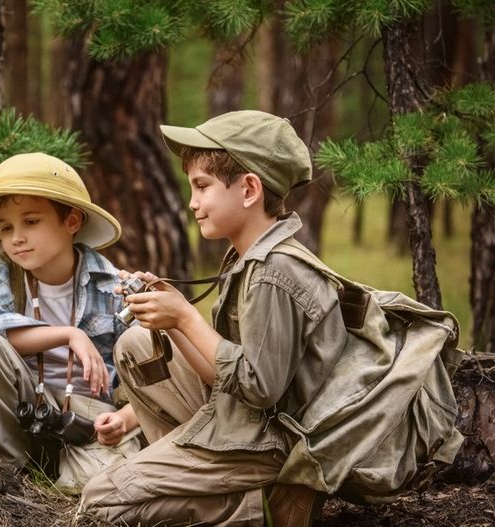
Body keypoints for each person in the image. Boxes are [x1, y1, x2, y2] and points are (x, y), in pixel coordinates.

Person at [80, 110, 345, 526]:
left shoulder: (276, 271)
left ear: (249, 190)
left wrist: (186, 317)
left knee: (102, 503)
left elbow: (260, 388)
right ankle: (199, 479)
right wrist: (170, 317)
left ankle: (262, 507)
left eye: (202, 187)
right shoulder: (250, 258)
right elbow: (221, 375)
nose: (192, 202)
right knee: (135, 345)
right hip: (245, 423)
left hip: (273, 444)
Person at [0, 152, 142, 494]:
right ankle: (9, 474)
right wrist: (69, 334)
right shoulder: (5, 275)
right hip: (25, 406)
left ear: (72, 222)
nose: (16, 238)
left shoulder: (110, 284)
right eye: (6, 227)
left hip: (87, 416)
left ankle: (74, 471)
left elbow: (152, 374)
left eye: (31, 222)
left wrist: (124, 420)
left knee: (105, 488)